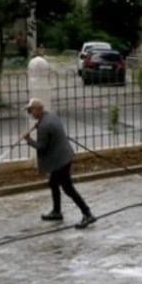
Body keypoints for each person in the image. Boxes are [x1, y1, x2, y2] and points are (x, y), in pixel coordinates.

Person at [23, 98, 96, 229]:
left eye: (30, 110)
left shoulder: (45, 125)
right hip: (64, 156)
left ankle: (87, 214)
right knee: (53, 183)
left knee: (68, 189)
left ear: (39, 109)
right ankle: (56, 212)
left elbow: (42, 148)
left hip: (60, 161)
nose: (29, 113)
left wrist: (29, 140)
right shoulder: (50, 116)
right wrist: (38, 124)